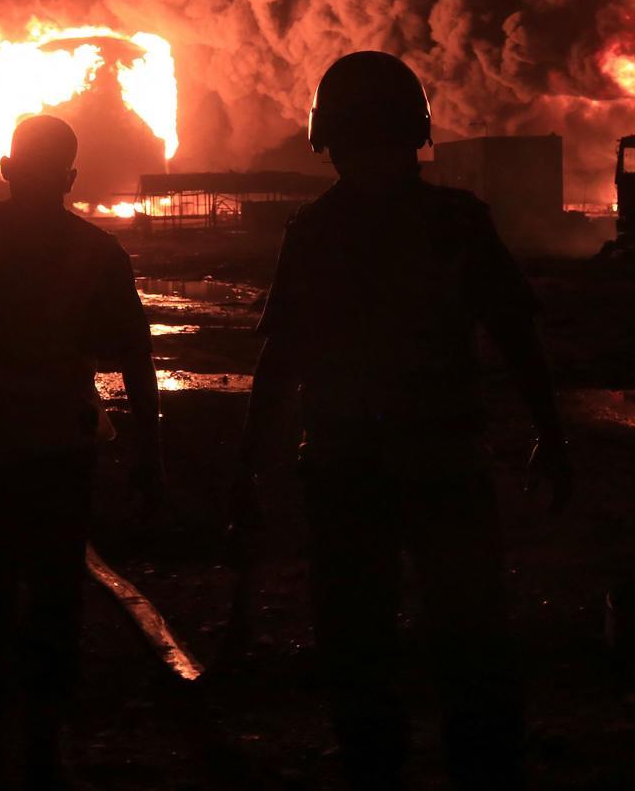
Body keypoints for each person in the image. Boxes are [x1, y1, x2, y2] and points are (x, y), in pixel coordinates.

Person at [231, 51, 572, 791]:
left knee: (360, 638)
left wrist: (251, 469)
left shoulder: (317, 230)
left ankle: (378, 764)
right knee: (468, 631)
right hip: (438, 460)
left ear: (329, 142)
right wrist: (553, 433)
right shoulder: (455, 221)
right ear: (417, 134)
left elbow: (280, 361)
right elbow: (516, 336)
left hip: (347, 466)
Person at [0, 114, 164, 787]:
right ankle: (40, 720)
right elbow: (137, 359)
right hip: (58, 443)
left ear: (6, 168)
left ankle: (19, 697)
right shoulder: (97, 252)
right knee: (53, 583)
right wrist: (151, 454)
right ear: (71, 178)